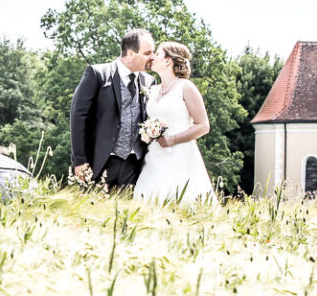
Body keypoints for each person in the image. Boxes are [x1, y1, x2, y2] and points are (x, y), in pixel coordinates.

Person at [69, 29, 156, 189]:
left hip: (135, 164)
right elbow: (78, 116)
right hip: (100, 161)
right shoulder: (97, 74)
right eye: (147, 53)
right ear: (131, 53)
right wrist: (80, 160)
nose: (153, 57)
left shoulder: (150, 82)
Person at [133, 41, 215, 207]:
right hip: (155, 156)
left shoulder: (186, 87)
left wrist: (172, 140)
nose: (153, 57)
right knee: (147, 201)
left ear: (168, 60)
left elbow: (203, 125)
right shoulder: (153, 90)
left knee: (181, 202)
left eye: (157, 54)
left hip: (181, 156)